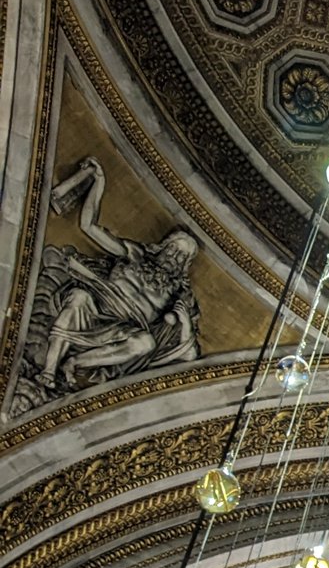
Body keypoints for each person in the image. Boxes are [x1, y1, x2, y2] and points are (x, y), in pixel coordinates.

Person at [14, 156, 200, 407]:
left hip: (125, 329)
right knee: (79, 298)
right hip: (97, 305)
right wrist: (98, 184)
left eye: (182, 257)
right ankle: (48, 370)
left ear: (185, 265)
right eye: (174, 249)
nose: (174, 258)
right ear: (163, 246)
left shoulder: (179, 291)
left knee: (145, 342)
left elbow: (190, 355)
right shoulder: (135, 255)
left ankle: (75, 362)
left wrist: (186, 321)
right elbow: (89, 227)